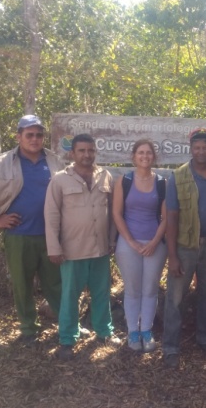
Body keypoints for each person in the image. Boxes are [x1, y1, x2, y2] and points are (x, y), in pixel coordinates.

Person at [0, 114, 64, 344]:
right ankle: (29, 329)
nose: (35, 139)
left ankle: (66, 327)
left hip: (51, 235)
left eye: (39, 135)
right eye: (29, 134)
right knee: (22, 284)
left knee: (56, 283)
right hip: (19, 236)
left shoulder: (55, 160)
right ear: (19, 136)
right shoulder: (0, 163)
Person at [44, 133, 121, 360]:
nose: (87, 155)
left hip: (100, 248)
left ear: (95, 152)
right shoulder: (60, 179)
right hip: (72, 250)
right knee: (70, 296)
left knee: (101, 293)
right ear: (72, 153)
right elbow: (51, 215)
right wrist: (54, 247)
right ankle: (68, 339)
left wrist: (112, 240)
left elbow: (113, 213)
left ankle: (104, 331)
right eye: (82, 151)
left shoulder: (105, 176)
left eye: (90, 150)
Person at [162, 127, 206, 369]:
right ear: (191, 149)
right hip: (185, 247)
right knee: (175, 298)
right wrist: (172, 255)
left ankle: (205, 338)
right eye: (197, 147)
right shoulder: (178, 176)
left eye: (205, 147)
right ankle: (170, 347)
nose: (201, 151)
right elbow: (171, 216)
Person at [112, 139, 167, 353]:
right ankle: (132, 332)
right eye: (140, 152)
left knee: (150, 289)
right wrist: (132, 241)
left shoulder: (162, 183)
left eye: (149, 153)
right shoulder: (124, 181)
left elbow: (166, 217)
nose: (145, 156)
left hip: (155, 243)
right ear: (134, 156)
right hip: (128, 243)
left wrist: (154, 242)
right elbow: (117, 213)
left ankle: (146, 330)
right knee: (133, 290)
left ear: (154, 157)